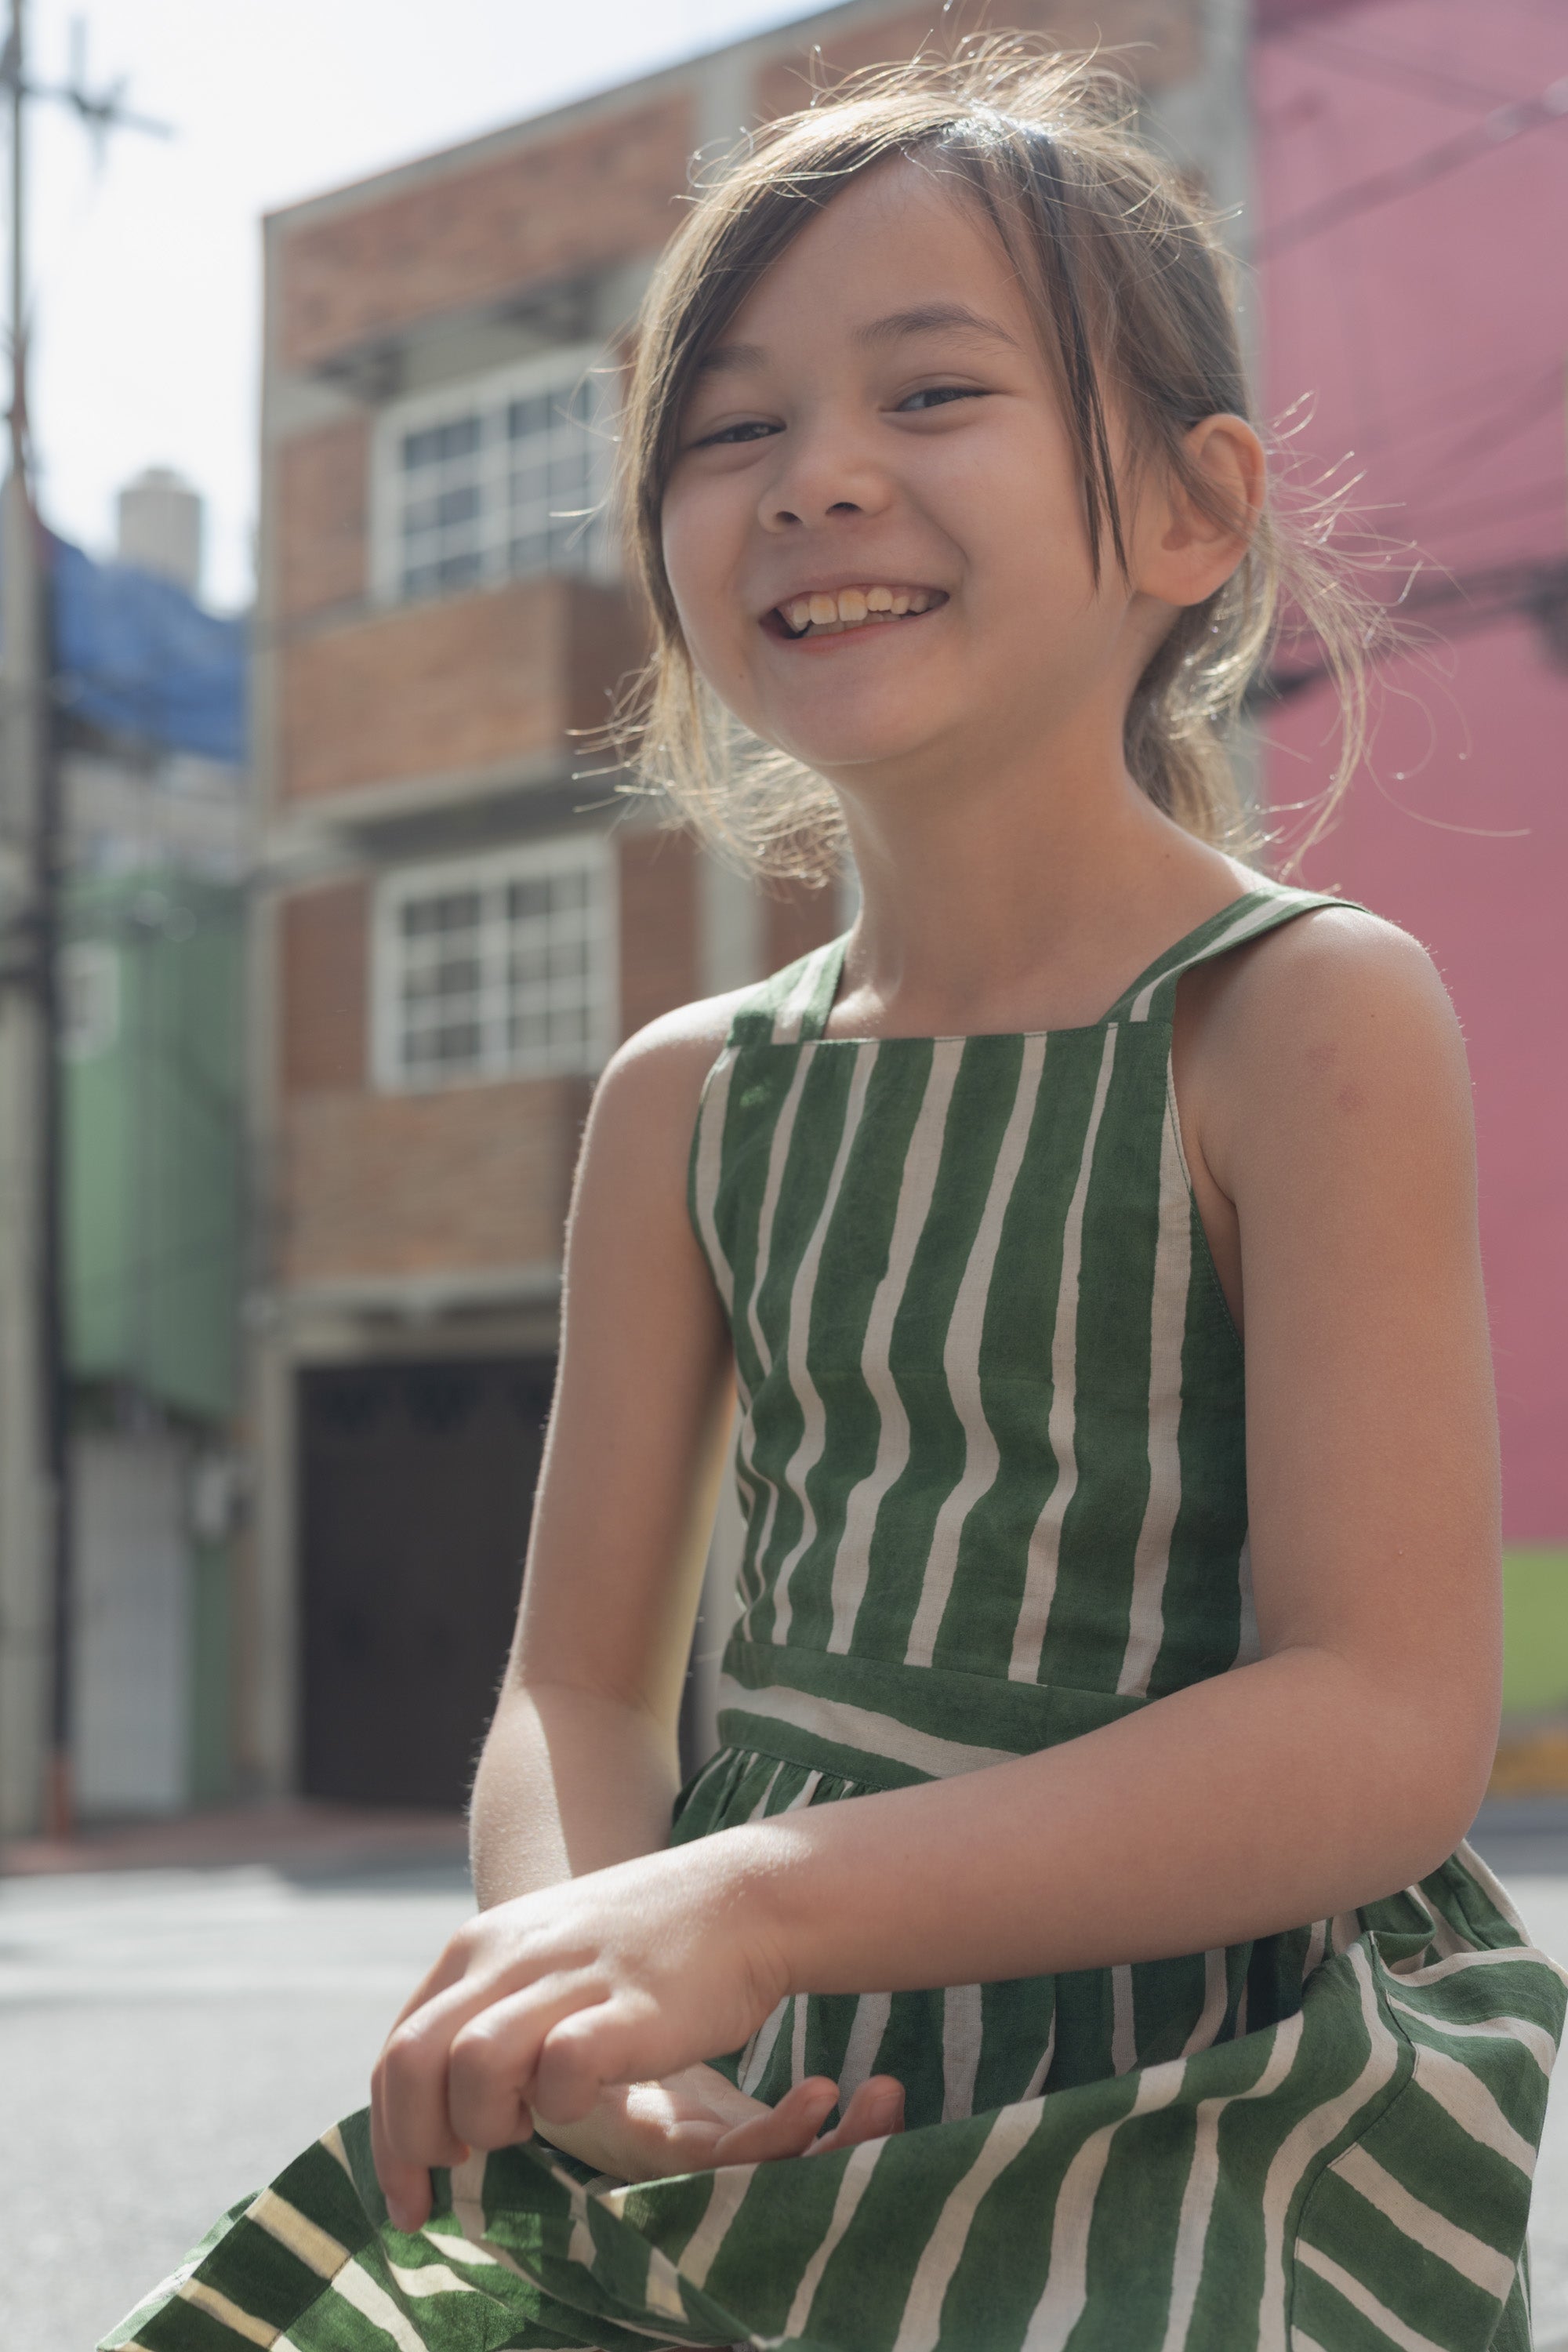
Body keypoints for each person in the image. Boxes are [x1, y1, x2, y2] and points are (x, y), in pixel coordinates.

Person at [107, 42, 1566, 2352]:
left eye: (934, 390)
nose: (817, 482)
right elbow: (578, 1687)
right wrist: (582, 1975)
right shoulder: (688, 1093)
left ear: (1192, 517)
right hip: (746, 2080)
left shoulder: (1302, 1014)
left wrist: (760, 1908)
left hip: (1184, 2107)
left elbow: (1385, 1722)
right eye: (731, 430)